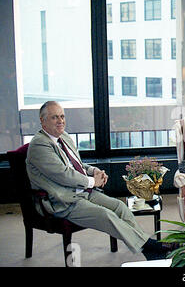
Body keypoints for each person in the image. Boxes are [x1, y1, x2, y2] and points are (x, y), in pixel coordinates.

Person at [26, 101, 176, 261]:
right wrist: (93, 182)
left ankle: (149, 250)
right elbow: (63, 174)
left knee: (120, 207)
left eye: (62, 116)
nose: (60, 121)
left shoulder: (63, 136)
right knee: (105, 215)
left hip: (82, 192)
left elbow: (76, 164)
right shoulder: (39, 145)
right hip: (63, 201)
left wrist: (94, 171)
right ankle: (153, 246)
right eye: (54, 117)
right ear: (42, 120)